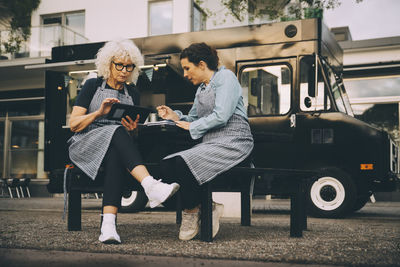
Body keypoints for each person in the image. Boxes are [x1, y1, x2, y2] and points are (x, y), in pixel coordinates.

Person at [68, 39, 179, 244]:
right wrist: (100, 113)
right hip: (85, 144)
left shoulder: (132, 92)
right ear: (108, 64)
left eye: (129, 66)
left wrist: (133, 131)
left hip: (113, 146)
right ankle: (150, 185)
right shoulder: (92, 85)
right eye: (119, 65)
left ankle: (108, 226)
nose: (124, 70)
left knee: (116, 152)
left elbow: (129, 138)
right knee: (116, 131)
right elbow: (74, 124)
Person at [157, 42, 254, 241]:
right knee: (165, 165)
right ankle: (205, 207)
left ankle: (192, 213)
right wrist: (174, 117)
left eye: (186, 68)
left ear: (201, 64)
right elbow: (193, 119)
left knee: (180, 163)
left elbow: (222, 116)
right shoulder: (201, 89)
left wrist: (192, 127)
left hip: (234, 141)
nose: (184, 74)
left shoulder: (226, 78)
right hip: (210, 144)